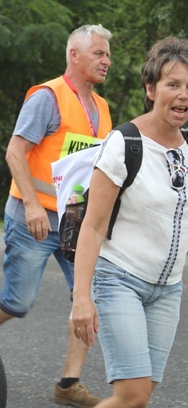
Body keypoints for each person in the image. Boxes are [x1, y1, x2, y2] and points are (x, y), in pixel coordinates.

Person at [0, 24, 113, 407]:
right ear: (75, 55)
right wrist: (33, 205)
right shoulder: (47, 98)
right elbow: (15, 153)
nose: (107, 61)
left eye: (107, 54)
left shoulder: (101, 107)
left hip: (74, 224)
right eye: (99, 53)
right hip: (32, 219)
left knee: (86, 298)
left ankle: (69, 383)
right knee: (16, 303)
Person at [72, 37, 188, 408]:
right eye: (173, 84)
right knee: (132, 395)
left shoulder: (187, 149)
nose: (183, 95)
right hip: (119, 279)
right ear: (151, 89)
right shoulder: (125, 143)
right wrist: (81, 297)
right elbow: (91, 226)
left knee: (140, 396)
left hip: (168, 290)